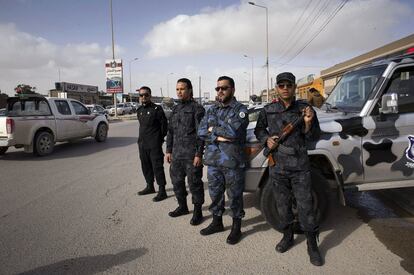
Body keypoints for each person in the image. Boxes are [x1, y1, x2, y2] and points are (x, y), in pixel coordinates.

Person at [254, 72, 323, 266]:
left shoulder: (305, 109)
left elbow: (313, 138)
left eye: (289, 85)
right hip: (278, 168)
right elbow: (259, 130)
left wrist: (308, 124)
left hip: (300, 167)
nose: (285, 88)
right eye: (281, 85)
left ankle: (312, 244)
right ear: (277, 88)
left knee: (306, 207)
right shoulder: (268, 110)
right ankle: (288, 236)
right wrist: (265, 139)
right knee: (282, 205)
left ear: (294, 88)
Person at [197, 76, 249, 245]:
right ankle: (217, 222)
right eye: (217, 88)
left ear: (232, 89)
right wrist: (220, 135)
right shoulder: (211, 110)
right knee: (215, 193)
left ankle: (236, 227)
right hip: (213, 161)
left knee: (234, 196)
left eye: (224, 88)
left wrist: (213, 131)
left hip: (232, 162)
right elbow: (201, 131)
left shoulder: (240, 109)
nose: (220, 91)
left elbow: (234, 133)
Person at [165, 78, 205, 225]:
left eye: (182, 89)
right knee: (177, 182)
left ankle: (197, 211)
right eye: (177, 89)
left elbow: (201, 133)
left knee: (194, 183)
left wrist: (199, 154)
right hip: (176, 155)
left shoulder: (197, 109)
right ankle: (182, 206)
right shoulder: (175, 109)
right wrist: (168, 150)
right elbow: (170, 132)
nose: (179, 92)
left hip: (191, 155)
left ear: (189, 90)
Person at [136, 86, 168, 202]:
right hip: (142, 144)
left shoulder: (157, 109)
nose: (143, 97)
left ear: (150, 96)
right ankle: (150, 186)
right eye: (141, 95)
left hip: (154, 144)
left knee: (157, 167)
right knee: (146, 166)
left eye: (146, 95)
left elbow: (164, 127)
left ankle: (162, 190)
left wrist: (158, 140)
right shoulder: (139, 110)